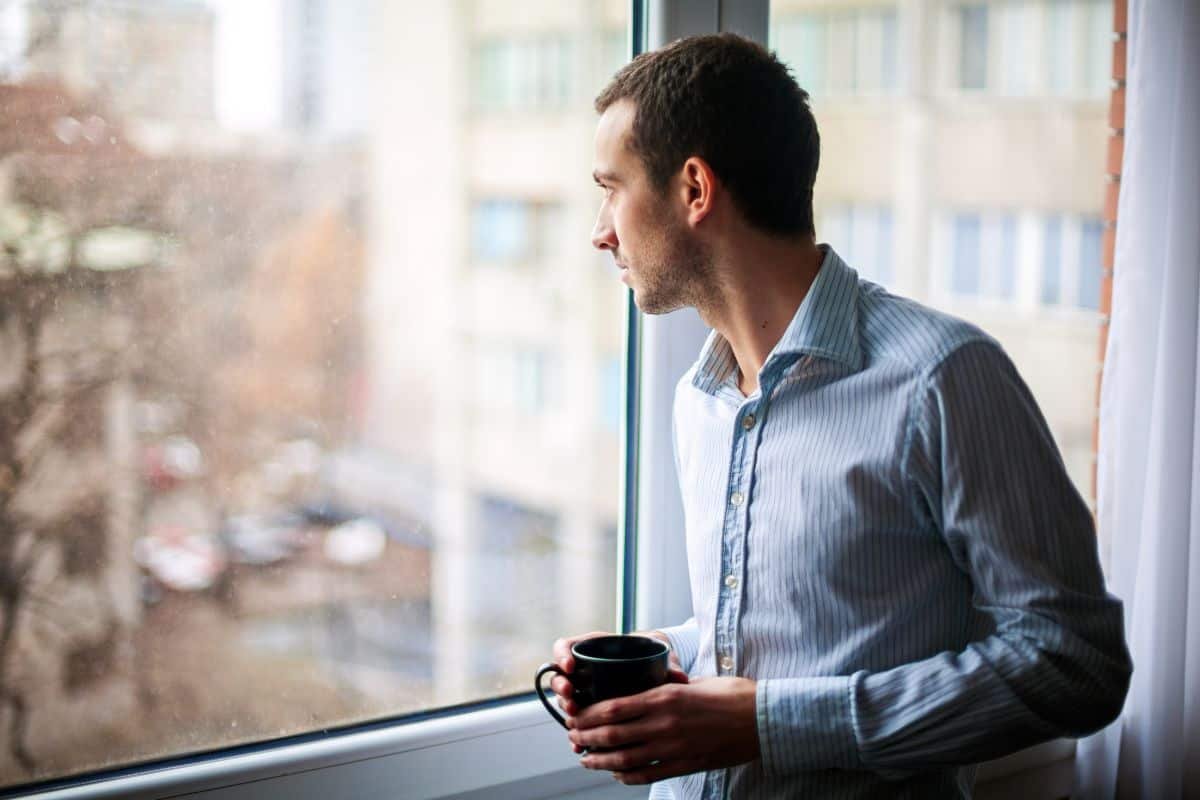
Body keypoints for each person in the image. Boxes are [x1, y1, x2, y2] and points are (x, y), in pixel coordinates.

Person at [548, 32, 1132, 799]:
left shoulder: (943, 379)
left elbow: (1074, 662)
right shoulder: (702, 398)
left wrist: (769, 726)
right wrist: (667, 653)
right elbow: (805, 634)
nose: (601, 229)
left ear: (694, 189)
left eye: (610, 187)